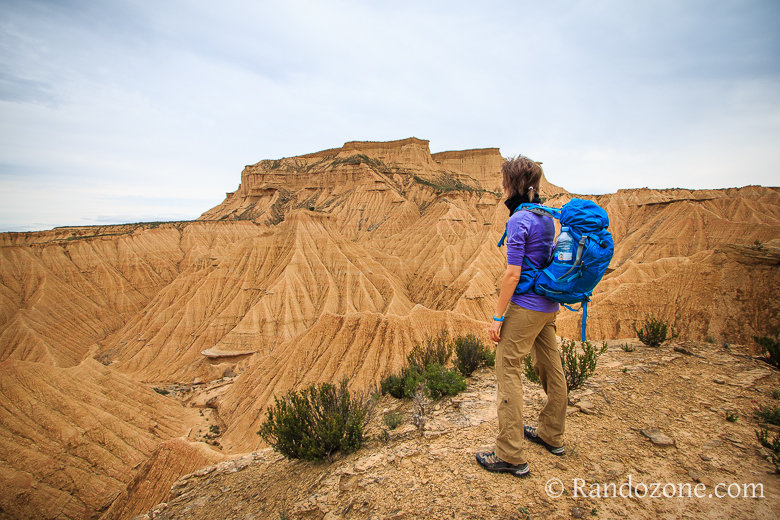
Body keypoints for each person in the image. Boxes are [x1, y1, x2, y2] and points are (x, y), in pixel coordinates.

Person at [475, 156, 568, 478]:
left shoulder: (518, 220)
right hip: (548, 305)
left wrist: (498, 317)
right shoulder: (545, 217)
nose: (501, 186)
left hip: (526, 307)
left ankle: (510, 454)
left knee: (508, 372)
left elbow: (512, 274)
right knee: (551, 366)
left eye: (503, 181)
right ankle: (551, 435)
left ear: (511, 184)